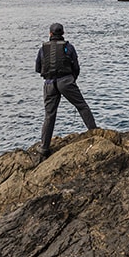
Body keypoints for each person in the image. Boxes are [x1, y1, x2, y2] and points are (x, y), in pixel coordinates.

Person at [35, 23, 97, 159]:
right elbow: (76, 67)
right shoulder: (68, 47)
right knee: (82, 106)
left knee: (49, 115)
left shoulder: (42, 49)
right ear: (63, 33)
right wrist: (72, 79)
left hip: (49, 83)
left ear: (50, 34)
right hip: (66, 81)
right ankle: (95, 133)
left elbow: (38, 68)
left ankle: (44, 148)